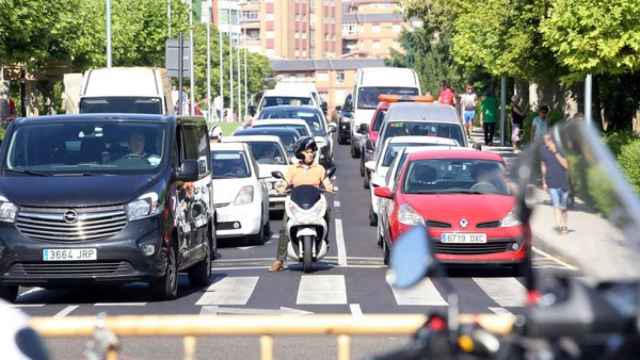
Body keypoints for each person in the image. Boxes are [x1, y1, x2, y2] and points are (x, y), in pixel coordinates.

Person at [270, 137, 335, 272]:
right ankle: (279, 260)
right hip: (296, 202)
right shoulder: (293, 169)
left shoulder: (319, 169)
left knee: (327, 212)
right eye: (307, 151)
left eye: (312, 151)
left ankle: (325, 239)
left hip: (315, 201)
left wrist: (330, 187)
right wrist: (280, 187)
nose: (310, 154)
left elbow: (326, 182)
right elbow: (285, 182)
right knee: (284, 226)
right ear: (300, 153)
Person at [540, 133, 570, 234]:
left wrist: (556, 152)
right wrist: (544, 182)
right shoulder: (543, 150)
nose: (546, 142)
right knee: (556, 206)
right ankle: (561, 227)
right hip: (551, 182)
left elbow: (566, 166)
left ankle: (564, 224)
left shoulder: (561, 149)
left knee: (564, 208)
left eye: (548, 140)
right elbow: (543, 166)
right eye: (545, 140)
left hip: (563, 183)